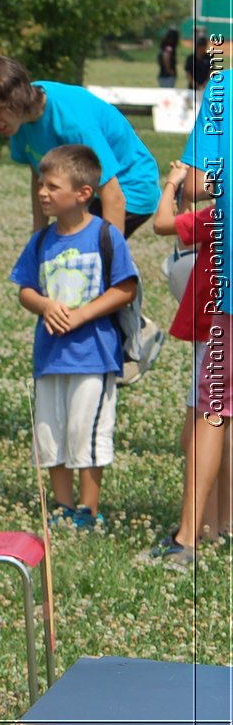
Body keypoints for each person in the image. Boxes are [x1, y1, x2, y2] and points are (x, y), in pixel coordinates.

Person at [0, 55, 164, 383]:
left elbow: (114, 195)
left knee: (90, 267)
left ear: (16, 98)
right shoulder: (22, 125)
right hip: (84, 191)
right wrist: (38, 233)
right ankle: (105, 344)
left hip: (129, 189)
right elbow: (38, 174)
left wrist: (108, 259)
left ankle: (136, 337)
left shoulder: (71, 120)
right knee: (63, 262)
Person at [10, 145, 139, 531]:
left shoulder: (106, 235)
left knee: (87, 431)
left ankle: (88, 508)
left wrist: (83, 314)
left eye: (52, 186)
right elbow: (25, 289)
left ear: (84, 194)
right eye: (41, 185)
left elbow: (125, 288)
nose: (42, 193)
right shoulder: (41, 241)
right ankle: (62, 507)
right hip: (50, 356)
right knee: (51, 433)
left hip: (94, 355)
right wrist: (45, 306)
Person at [145, 162, 231, 565]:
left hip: (216, 326)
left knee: (200, 429)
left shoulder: (218, 214)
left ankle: (190, 538)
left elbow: (162, 224)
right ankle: (219, 526)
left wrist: (173, 183)